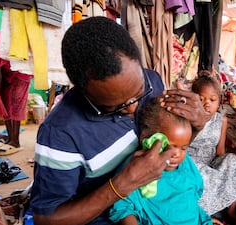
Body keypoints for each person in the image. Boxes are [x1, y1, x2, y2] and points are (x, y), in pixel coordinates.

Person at [30, 16, 209, 225]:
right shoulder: (61, 133)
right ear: (82, 90)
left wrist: (196, 126)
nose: (134, 108)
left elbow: (169, 143)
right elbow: (45, 219)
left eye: (139, 93)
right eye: (113, 108)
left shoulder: (153, 81)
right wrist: (120, 186)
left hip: (158, 205)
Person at [109, 97, 213, 225]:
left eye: (183, 148)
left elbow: (193, 197)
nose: (177, 154)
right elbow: (123, 209)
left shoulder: (186, 164)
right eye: (169, 145)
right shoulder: (136, 169)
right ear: (147, 139)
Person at [188, 75, 236, 225]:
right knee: (201, 172)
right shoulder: (187, 119)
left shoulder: (221, 120)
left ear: (219, 101)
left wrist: (222, 172)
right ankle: (206, 213)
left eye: (212, 100)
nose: (206, 104)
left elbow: (220, 152)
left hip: (211, 163)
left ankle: (230, 210)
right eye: (201, 99)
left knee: (231, 159)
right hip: (191, 165)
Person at [0, 30, 32, 155]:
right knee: (5, 101)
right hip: (6, 69)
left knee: (16, 103)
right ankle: (9, 140)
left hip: (20, 69)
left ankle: (15, 142)